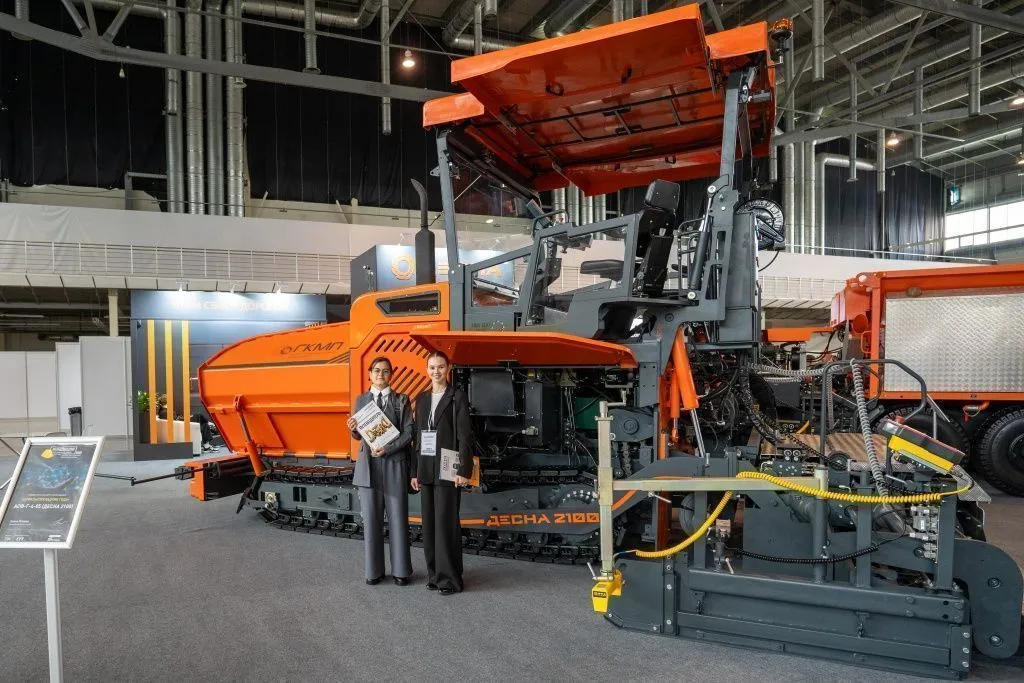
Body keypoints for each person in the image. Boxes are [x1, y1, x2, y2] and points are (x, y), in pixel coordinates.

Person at [347, 356, 415, 586]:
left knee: (398, 519)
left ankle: (401, 572)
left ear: (391, 375)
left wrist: (388, 448)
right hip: (368, 466)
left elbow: (409, 433)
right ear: (369, 373)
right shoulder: (361, 400)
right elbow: (358, 435)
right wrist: (352, 429)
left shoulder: (402, 400)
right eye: (377, 370)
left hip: (395, 463)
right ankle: (373, 572)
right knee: (371, 521)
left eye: (385, 371)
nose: (380, 375)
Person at [411, 350, 474, 596]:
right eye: (432, 367)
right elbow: (418, 437)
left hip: (448, 468)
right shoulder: (422, 398)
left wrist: (463, 470)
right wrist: (414, 472)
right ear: (426, 370)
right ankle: (435, 575)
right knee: (429, 526)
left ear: (448, 369)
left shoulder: (457, 397)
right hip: (426, 468)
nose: (436, 371)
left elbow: (465, 436)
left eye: (440, 366)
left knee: (446, 525)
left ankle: (450, 580)